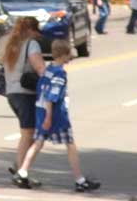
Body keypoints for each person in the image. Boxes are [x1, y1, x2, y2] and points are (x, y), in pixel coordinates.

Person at [18, 37, 101, 192]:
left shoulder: (48, 70)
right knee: (70, 145)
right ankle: (80, 181)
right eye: (69, 53)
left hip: (40, 111)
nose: (71, 56)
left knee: (38, 143)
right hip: (56, 115)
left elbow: (42, 91)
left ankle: (22, 171)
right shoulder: (59, 74)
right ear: (63, 55)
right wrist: (49, 117)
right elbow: (51, 96)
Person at [4, 14, 47, 187]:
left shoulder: (11, 44)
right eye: (36, 31)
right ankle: (21, 172)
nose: (38, 35)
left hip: (12, 93)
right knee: (30, 134)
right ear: (30, 30)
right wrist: (51, 80)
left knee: (29, 133)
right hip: (26, 93)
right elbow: (39, 67)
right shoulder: (31, 44)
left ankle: (20, 167)